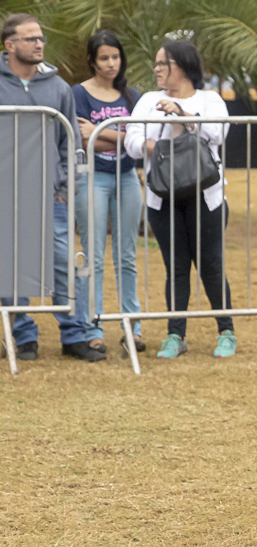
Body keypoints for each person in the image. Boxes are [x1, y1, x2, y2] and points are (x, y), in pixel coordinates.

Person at [0, 13, 104, 362]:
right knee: (11, 264)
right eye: (30, 38)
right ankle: (23, 336)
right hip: (5, 194)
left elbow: (70, 141)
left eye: (41, 37)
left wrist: (65, 186)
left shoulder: (57, 87)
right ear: (10, 45)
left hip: (50, 194)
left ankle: (73, 334)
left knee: (61, 261)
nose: (39, 43)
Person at [124, 40, 236, 359]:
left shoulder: (210, 99)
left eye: (163, 63)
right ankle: (176, 335)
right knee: (175, 267)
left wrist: (183, 113)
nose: (157, 69)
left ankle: (226, 331)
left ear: (182, 66)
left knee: (211, 264)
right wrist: (160, 149)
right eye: (156, 64)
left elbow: (217, 133)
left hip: (206, 195)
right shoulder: (148, 100)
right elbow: (132, 141)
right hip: (163, 195)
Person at [73, 30, 145, 355]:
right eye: (104, 58)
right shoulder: (79, 93)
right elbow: (82, 139)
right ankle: (92, 326)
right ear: (92, 60)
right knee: (94, 256)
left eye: (115, 57)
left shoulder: (132, 96)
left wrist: (101, 132)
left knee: (126, 256)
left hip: (128, 178)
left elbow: (135, 144)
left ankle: (132, 325)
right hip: (94, 179)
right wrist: (120, 136)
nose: (111, 63)